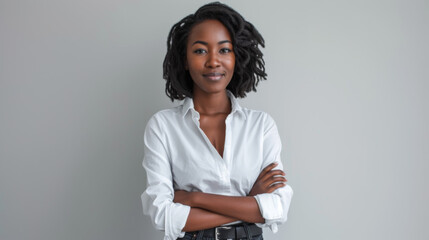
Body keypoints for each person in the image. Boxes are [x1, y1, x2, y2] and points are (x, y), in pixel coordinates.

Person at [141, 2, 293, 240]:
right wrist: (249, 205)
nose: (213, 61)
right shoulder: (163, 126)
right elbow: (163, 215)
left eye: (224, 50)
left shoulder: (261, 126)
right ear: (184, 59)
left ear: (237, 56)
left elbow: (278, 207)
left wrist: (194, 199)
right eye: (201, 51)